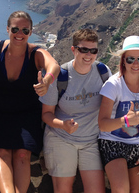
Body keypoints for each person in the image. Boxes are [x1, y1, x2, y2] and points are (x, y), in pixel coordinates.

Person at [0, 10, 60, 193]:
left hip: (27, 114)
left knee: (22, 154)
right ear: (7, 28)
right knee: (0, 153)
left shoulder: (36, 53)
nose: (20, 34)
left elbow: (53, 66)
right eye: (15, 29)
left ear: (31, 32)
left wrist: (47, 81)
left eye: (25, 30)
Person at [40, 28, 111, 193]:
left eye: (93, 50)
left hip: (91, 141)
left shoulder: (103, 72)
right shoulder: (60, 77)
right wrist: (63, 124)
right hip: (61, 137)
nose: (88, 55)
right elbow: (46, 114)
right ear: (73, 50)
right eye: (83, 49)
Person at [98, 35, 139, 193]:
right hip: (112, 142)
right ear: (123, 60)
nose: (136, 64)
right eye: (130, 59)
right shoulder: (113, 85)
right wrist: (125, 121)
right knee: (121, 189)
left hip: (137, 145)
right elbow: (102, 123)